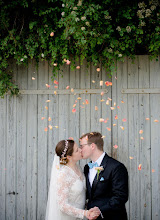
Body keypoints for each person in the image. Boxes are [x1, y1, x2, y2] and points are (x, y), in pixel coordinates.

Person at [45, 139, 100, 220]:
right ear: (69, 157)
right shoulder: (63, 174)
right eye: (77, 150)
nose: (81, 150)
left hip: (78, 217)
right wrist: (85, 213)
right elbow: (62, 206)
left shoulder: (78, 168)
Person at [80, 132, 129, 220]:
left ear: (92, 146)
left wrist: (100, 210)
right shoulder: (87, 168)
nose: (80, 150)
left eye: (82, 146)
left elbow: (121, 196)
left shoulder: (116, 167)